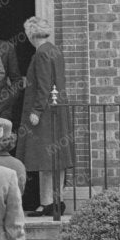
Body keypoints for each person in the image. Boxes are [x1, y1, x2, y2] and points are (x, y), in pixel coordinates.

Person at [16, 17, 69, 217]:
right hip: (57, 109)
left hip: (45, 112)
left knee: (45, 158)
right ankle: (56, 199)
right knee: (55, 158)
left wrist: (36, 111)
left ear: (30, 34)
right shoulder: (55, 51)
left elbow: (45, 85)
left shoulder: (41, 54)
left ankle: (48, 202)